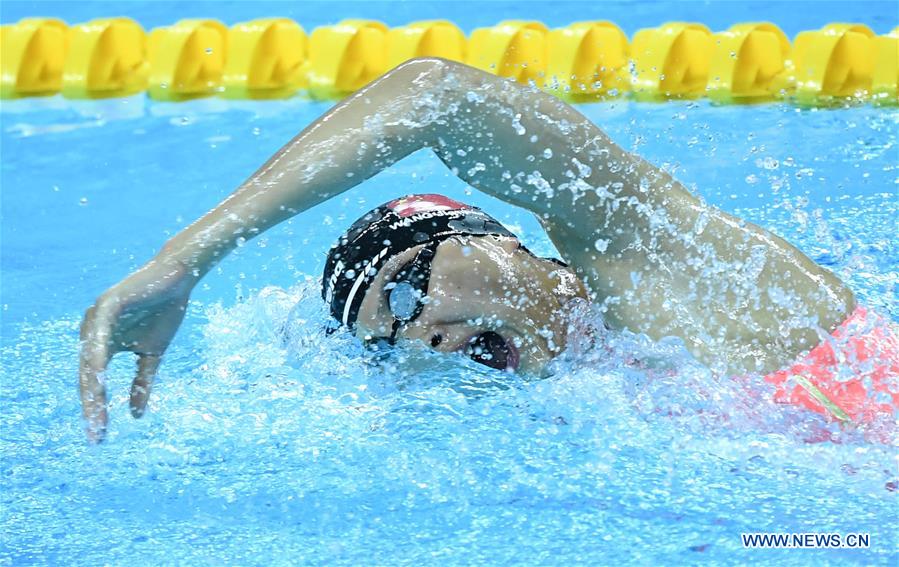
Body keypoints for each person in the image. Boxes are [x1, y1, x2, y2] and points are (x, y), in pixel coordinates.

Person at [78, 58, 898, 443]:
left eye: (402, 293)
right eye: (385, 339)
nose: (417, 337)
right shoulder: (591, 403)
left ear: (486, 238)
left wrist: (189, 255)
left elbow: (436, 96)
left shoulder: (658, 262)